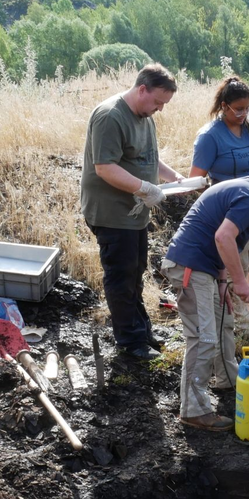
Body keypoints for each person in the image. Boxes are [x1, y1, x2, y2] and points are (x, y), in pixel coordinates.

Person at [161, 160, 249, 432]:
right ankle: (193, 410)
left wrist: (224, 282)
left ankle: (228, 379)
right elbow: (223, 237)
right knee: (203, 336)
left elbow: (227, 245)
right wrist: (241, 281)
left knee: (224, 321)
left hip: (207, 269)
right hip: (190, 267)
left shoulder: (247, 194)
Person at [81, 63, 186, 365]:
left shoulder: (145, 116)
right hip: (112, 213)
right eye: (157, 102)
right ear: (142, 89)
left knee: (136, 272)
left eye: (164, 104)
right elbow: (104, 168)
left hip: (134, 212)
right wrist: (145, 188)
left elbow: (149, 159)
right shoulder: (111, 116)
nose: (160, 109)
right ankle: (130, 342)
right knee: (121, 276)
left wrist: (173, 178)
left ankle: (141, 332)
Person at [189, 76, 249, 340]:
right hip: (231, 212)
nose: (244, 114)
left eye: (247, 108)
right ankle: (247, 327)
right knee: (238, 264)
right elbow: (196, 179)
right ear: (223, 106)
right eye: (238, 109)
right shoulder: (209, 136)